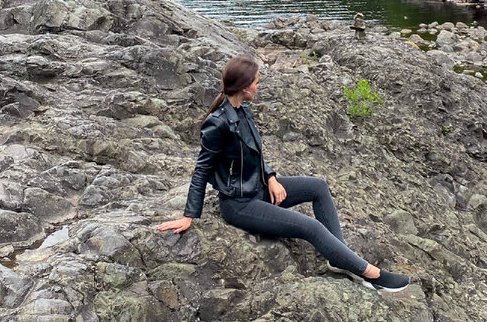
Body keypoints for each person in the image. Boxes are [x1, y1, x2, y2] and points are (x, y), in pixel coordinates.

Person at [157, 56, 411, 292]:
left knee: (318, 187)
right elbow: (202, 169)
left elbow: (255, 152)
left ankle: (339, 257)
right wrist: (189, 216)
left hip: (259, 188)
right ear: (245, 87)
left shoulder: (244, 109)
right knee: (311, 227)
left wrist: (270, 177)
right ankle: (371, 274)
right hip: (239, 204)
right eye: (256, 82)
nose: (258, 86)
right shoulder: (218, 123)